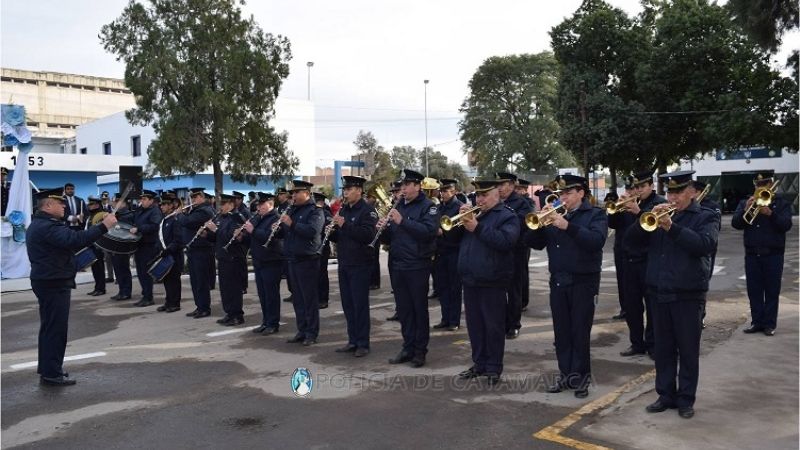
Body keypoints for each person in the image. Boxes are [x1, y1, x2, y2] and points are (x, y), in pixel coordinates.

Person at [625, 170, 719, 419]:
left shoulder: (706, 216)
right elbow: (630, 242)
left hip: (688, 293)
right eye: (670, 192)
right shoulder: (659, 214)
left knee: (687, 350)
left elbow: (704, 245)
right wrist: (642, 220)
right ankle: (665, 395)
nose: (673, 197)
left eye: (678, 192)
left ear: (692, 192)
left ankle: (686, 399)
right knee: (663, 349)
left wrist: (672, 228)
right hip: (659, 291)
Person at [525, 174, 607, 398]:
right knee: (561, 332)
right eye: (561, 193)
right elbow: (536, 244)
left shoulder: (595, 214)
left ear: (581, 193)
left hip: (584, 281)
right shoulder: (554, 216)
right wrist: (538, 225)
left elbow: (595, 241)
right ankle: (565, 375)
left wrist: (567, 226)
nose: (563, 198)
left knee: (579, 331)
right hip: (558, 280)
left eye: (568, 193)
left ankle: (581, 379)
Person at [27, 189, 118, 386]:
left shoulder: (42, 224)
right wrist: (104, 226)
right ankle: (51, 373)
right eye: (60, 203)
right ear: (48, 205)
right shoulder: (47, 226)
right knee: (55, 329)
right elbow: (75, 240)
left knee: (49, 327)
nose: (64, 206)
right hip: (54, 282)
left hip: (49, 280)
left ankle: (49, 368)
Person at [456, 179, 520, 385]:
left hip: (493, 279)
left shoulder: (507, 216)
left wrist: (477, 227)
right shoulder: (476, 215)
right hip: (471, 278)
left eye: (484, 195)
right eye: (477, 195)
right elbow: (452, 241)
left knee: (493, 326)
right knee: (475, 326)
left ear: (496, 194)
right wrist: (462, 222)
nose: (479, 199)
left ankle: (494, 367)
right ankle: (479, 363)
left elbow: (506, 242)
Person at [380, 169, 439, 368]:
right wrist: (381, 229)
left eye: (406, 185)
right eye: (401, 186)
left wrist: (402, 221)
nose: (402, 189)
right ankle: (408, 346)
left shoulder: (428, 207)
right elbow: (392, 237)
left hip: (417, 265)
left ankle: (420, 351)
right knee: (404, 310)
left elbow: (428, 232)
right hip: (398, 264)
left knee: (418, 310)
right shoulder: (399, 206)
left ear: (417, 186)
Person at [732, 170, 792, 336]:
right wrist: (745, 209)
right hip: (752, 254)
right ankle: (757, 322)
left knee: (772, 291)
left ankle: (769, 324)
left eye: (764, 184)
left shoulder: (780, 203)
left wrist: (771, 214)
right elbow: (736, 224)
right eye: (758, 184)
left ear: (771, 184)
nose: (761, 187)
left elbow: (786, 225)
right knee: (754, 290)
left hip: (773, 254)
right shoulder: (746, 201)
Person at [618, 171, 666, 358]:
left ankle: (653, 344)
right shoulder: (628, 203)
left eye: (642, 187)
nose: (638, 190)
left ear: (651, 186)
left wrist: (639, 212)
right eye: (636, 187)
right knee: (632, 306)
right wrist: (616, 209)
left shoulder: (658, 203)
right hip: (628, 261)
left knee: (653, 306)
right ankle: (636, 343)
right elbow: (615, 225)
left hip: (649, 261)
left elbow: (655, 232)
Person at [330, 176, 379, 357]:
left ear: (359, 190)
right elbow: (342, 236)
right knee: (348, 304)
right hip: (345, 262)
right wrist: (331, 232)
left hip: (360, 263)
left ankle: (363, 343)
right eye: (345, 189)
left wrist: (345, 225)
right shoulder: (344, 209)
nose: (346, 192)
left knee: (359, 305)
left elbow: (367, 235)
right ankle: (352, 340)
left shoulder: (368, 211)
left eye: (349, 189)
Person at [283, 180, 325, 346]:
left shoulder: (315, 211)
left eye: (296, 193)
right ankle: (302, 329)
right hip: (293, 258)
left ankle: (312, 333)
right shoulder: (293, 210)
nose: (293, 196)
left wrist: (291, 224)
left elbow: (312, 231)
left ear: (306, 193)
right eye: (292, 193)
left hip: (308, 259)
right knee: (298, 299)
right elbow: (288, 233)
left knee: (309, 298)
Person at [496, 172, 533, 339]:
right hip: (498, 250)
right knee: (499, 289)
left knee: (514, 290)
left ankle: (514, 324)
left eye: (502, 185)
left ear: (511, 186)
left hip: (516, 251)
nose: (499, 188)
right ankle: (502, 321)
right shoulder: (495, 202)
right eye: (498, 185)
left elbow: (520, 225)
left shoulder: (522, 203)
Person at [245, 192, 284, 335]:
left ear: (270, 204)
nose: (259, 207)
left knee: (271, 294)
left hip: (271, 260)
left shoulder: (276, 218)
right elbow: (253, 238)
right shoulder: (258, 218)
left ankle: (273, 323)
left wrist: (253, 230)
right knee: (262, 293)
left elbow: (270, 237)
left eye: (262, 204)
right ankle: (266, 321)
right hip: (259, 260)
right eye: (258, 204)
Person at [206, 194, 249, 326]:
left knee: (234, 289)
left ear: (231, 204)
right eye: (220, 204)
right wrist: (207, 234)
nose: (221, 207)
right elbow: (217, 238)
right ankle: (229, 313)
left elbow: (232, 238)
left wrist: (216, 230)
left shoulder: (236, 218)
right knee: (225, 288)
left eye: (223, 204)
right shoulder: (222, 218)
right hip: (223, 257)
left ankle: (237, 315)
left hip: (233, 258)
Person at [178, 188, 216, 319]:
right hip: (194, 249)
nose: (192, 200)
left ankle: (204, 308)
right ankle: (199, 306)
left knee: (201, 281)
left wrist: (180, 214)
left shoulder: (205, 210)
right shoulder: (196, 209)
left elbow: (188, 222)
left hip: (201, 250)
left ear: (201, 197)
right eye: (191, 198)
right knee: (195, 280)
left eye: (195, 197)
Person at [434, 178, 464, 331]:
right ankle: (445, 318)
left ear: (454, 191)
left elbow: (460, 231)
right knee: (442, 287)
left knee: (454, 288)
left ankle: (454, 320)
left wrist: (443, 233)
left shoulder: (459, 207)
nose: (443, 194)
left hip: (454, 251)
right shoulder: (439, 207)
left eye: (446, 191)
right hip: (441, 252)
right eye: (442, 191)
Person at [691, 180, 721, 329]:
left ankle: (700, 316)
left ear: (699, 192)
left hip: (707, 250)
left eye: (693, 192)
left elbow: (714, 231)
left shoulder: (712, 207)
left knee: (702, 283)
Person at [606, 180, 634, 322]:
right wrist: (614, 210)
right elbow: (612, 224)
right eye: (628, 190)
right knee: (622, 282)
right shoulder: (622, 206)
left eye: (632, 190)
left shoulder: (643, 206)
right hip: (621, 249)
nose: (628, 193)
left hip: (638, 252)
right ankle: (625, 309)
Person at [130, 190, 163, 307]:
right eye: (141, 199)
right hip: (140, 244)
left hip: (149, 245)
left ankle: (148, 297)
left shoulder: (155, 211)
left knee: (146, 272)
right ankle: (145, 295)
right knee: (141, 272)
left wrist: (139, 229)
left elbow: (154, 226)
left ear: (151, 200)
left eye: (144, 199)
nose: (141, 201)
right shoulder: (141, 211)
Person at [156, 192, 184, 313]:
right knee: (167, 279)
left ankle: (175, 303)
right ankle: (168, 302)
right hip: (166, 254)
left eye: (164, 205)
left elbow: (178, 239)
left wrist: (168, 250)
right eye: (161, 205)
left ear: (170, 206)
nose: (161, 207)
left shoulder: (175, 220)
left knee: (174, 280)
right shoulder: (165, 220)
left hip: (174, 255)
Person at [110, 199, 134, 302]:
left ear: (123, 204)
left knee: (124, 269)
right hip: (114, 245)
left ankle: (126, 292)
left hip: (123, 246)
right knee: (117, 269)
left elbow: (125, 227)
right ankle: (121, 290)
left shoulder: (128, 214)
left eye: (116, 202)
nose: (114, 204)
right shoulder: (117, 214)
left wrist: (115, 219)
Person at [385, 180, 402, 321]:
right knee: (396, 284)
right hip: (394, 251)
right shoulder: (393, 207)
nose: (395, 195)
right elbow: (389, 235)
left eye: (397, 192)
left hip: (409, 256)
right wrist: (382, 228)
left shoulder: (406, 208)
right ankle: (399, 309)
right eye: (394, 193)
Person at [314, 192, 333, 309]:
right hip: (313, 248)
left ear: (320, 202)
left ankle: (323, 299)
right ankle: (316, 297)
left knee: (321, 274)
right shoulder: (313, 213)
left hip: (323, 247)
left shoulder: (326, 213)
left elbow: (330, 231)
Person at [85, 196, 108, 296]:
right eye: (89, 204)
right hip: (91, 244)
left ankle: (101, 288)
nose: (89, 206)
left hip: (99, 244)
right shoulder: (90, 216)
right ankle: (97, 287)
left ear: (97, 205)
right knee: (94, 267)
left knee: (99, 267)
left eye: (91, 204)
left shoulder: (102, 215)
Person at [232, 190, 251, 294]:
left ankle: (243, 286)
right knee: (238, 263)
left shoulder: (245, 211)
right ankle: (238, 284)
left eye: (237, 199)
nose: (235, 201)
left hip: (244, 239)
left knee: (242, 264)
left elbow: (247, 225)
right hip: (237, 239)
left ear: (241, 199)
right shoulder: (235, 209)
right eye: (234, 199)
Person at [100, 191, 115, 282]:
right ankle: (110, 276)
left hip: (113, 232)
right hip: (104, 233)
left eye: (106, 199)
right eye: (103, 199)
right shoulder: (100, 208)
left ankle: (117, 277)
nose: (105, 200)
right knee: (107, 257)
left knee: (115, 256)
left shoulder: (112, 207)